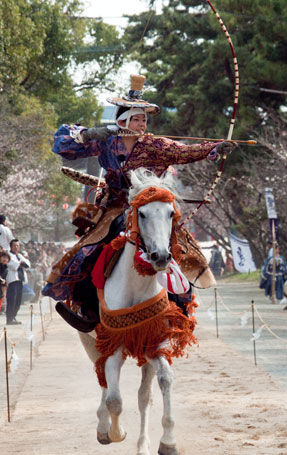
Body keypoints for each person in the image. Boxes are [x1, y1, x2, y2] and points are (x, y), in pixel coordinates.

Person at [42, 74, 236, 331]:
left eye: (144, 118)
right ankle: (88, 307)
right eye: (136, 118)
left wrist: (214, 148)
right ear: (122, 120)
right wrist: (90, 134)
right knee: (87, 249)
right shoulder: (106, 142)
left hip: (152, 206)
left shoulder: (155, 144)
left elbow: (183, 151)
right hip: (114, 208)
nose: (142, 123)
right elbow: (62, 145)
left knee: (180, 249)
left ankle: (180, 308)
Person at [6, 239, 30, 325]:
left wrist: (20, 262)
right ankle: (9, 319)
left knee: (18, 301)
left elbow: (27, 264)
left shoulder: (19, 255)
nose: (16, 247)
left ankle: (14, 317)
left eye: (17, 246)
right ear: (11, 246)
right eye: (14, 246)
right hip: (13, 281)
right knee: (12, 300)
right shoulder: (8, 255)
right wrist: (20, 262)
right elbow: (13, 265)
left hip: (20, 280)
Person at [0, 250, 10, 315]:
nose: (5, 259)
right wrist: (1, 280)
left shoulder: (6, 268)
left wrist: (5, 284)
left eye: (7, 258)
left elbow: (5, 279)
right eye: (3, 257)